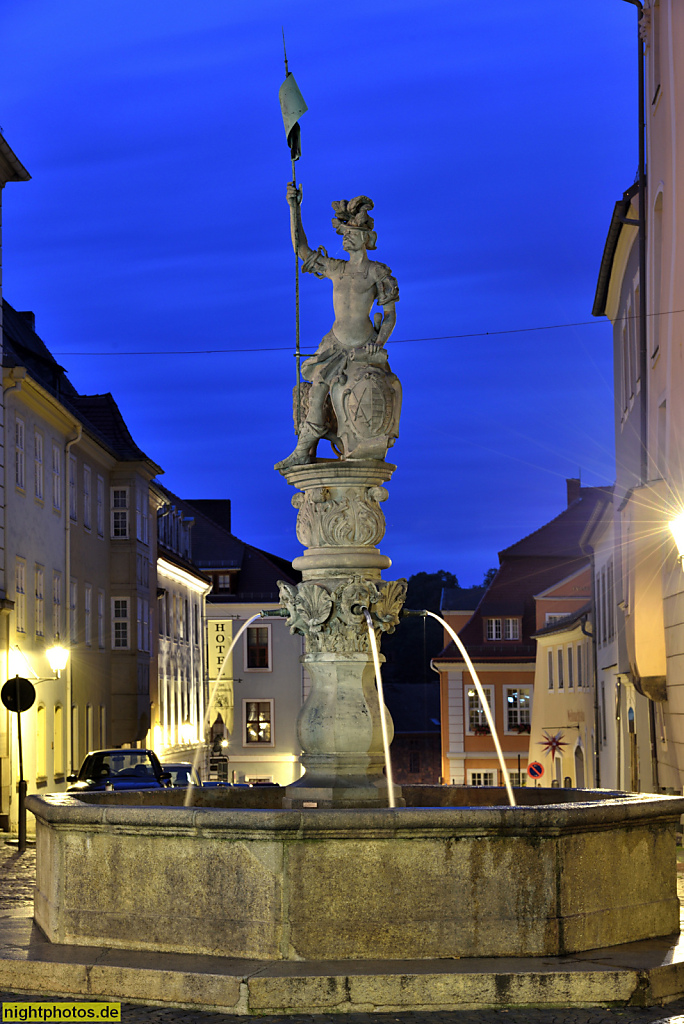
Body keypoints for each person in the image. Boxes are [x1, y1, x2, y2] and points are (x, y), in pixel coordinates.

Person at [275, 184, 399, 469]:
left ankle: (347, 440)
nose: (345, 240)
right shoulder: (336, 269)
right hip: (335, 343)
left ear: (365, 238)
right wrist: (295, 208)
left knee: (348, 391)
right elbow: (301, 250)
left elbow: (389, 315)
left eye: (351, 235)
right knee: (317, 390)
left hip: (363, 345)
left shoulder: (377, 272)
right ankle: (303, 450)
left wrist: (377, 345)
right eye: (343, 235)